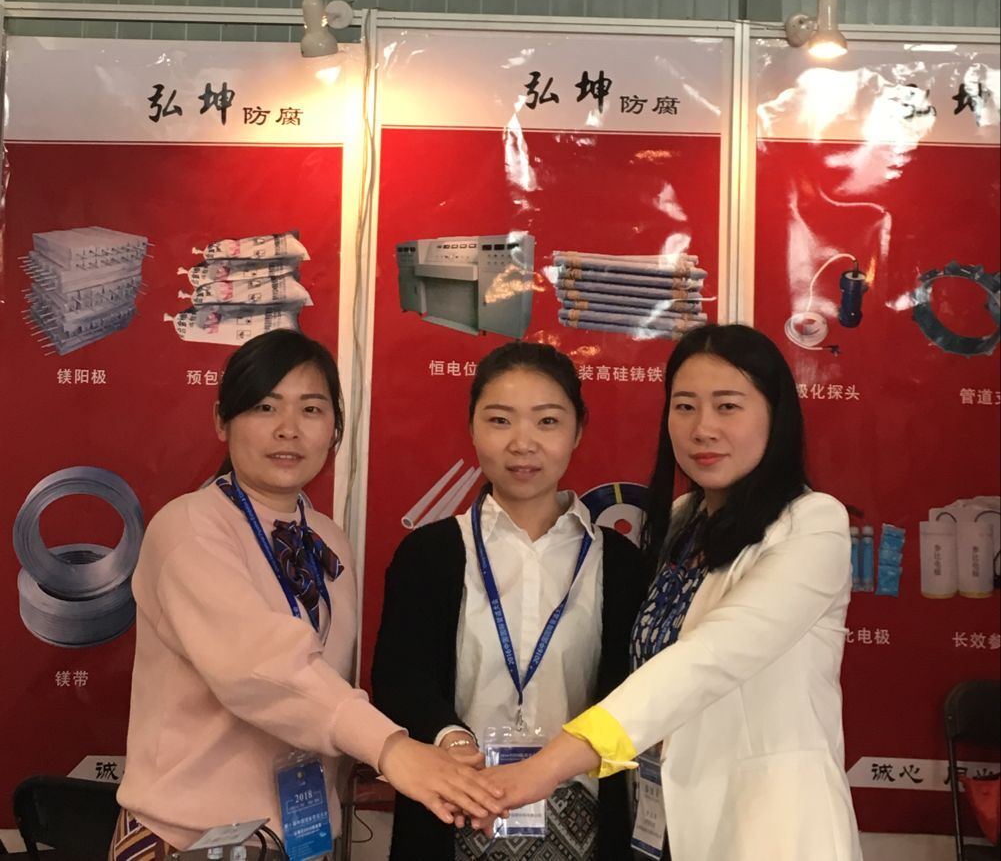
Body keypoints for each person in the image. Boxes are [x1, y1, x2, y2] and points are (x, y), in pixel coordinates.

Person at [478, 324, 863, 861]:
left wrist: (547, 766)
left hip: (767, 825)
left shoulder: (811, 523)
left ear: (775, 416)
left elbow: (710, 657)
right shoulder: (683, 520)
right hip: (664, 823)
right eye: (685, 407)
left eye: (727, 407)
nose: (703, 428)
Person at [113, 330, 501, 861]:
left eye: (312, 409)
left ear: (335, 428)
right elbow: (259, 667)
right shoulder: (189, 528)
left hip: (298, 838)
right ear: (222, 420)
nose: (288, 429)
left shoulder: (325, 538)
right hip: (188, 839)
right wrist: (391, 748)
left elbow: (327, 678)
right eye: (265, 406)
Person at [372, 341, 644, 861]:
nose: (523, 443)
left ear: (577, 431)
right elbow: (398, 678)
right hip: (454, 806)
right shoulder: (429, 553)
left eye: (547, 422)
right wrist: (451, 741)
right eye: (500, 420)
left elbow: (635, 697)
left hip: (586, 824)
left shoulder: (621, 563)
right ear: (472, 428)